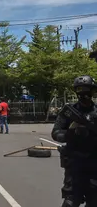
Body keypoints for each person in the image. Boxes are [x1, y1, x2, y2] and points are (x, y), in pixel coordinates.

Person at [52, 75, 97, 207]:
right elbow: (56, 132)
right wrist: (70, 134)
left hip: (94, 162)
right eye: (80, 90)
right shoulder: (69, 112)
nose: (84, 94)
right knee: (71, 201)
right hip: (75, 162)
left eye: (87, 90)